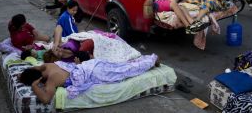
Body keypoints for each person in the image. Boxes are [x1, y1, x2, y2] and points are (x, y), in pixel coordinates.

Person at [19, 53, 160, 104]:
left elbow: (46, 100)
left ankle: (152, 61)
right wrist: (24, 75)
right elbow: (33, 69)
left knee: (125, 71)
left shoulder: (51, 80)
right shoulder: (46, 66)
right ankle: (147, 60)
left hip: (96, 72)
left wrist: (34, 86)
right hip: (91, 65)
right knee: (121, 67)